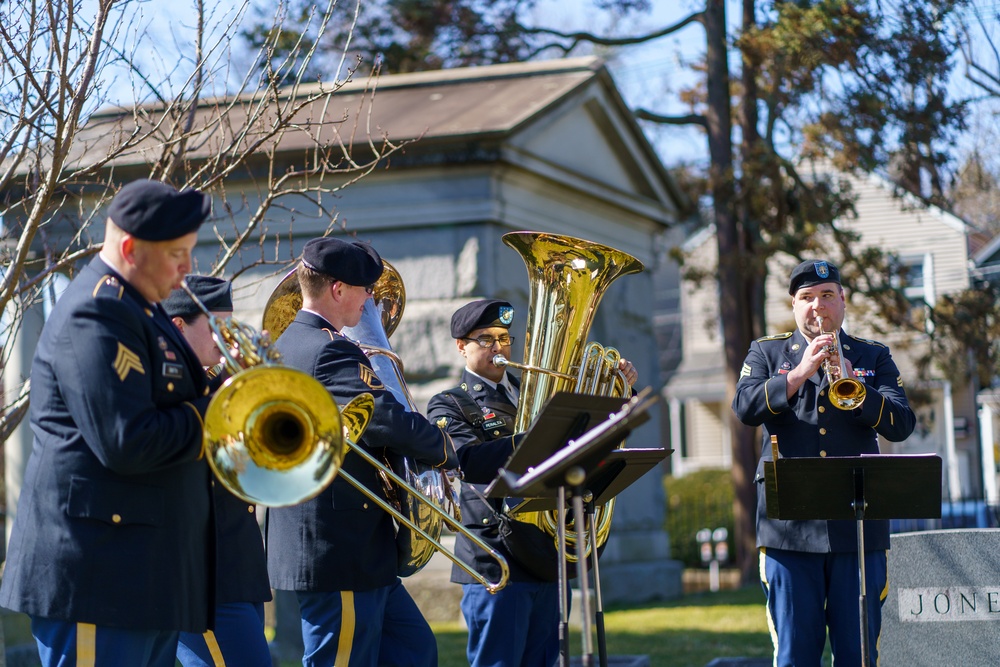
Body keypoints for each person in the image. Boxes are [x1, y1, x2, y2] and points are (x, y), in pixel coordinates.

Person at [0, 179, 216, 666]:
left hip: (139, 574)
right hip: (98, 577)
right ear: (130, 248)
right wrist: (222, 415)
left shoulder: (140, 307)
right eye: (177, 254)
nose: (187, 268)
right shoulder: (98, 311)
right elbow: (127, 440)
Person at [267, 236, 510, 667]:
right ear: (338, 289)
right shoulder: (328, 350)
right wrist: (446, 447)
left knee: (412, 650)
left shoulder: (289, 344)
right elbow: (384, 418)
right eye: (365, 291)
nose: (370, 303)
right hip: (339, 548)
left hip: (353, 547)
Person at [425, 298, 638, 667]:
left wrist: (619, 391)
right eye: (486, 339)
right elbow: (470, 461)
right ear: (461, 346)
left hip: (546, 555)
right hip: (497, 559)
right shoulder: (449, 404)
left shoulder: (537, 391)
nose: (498, 347)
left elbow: (587, 438)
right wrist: (542, 435)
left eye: (505, 338)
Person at [732, 259, 916, 667]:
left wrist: (860, 387)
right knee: (796, 654)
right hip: (789, 533)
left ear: (843, 300)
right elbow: (744, 407)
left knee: (859, 653)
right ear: (794, 305)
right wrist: (798, 374)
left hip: (859, 530)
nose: (818, 306)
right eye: (807, 298)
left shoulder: (873, 355)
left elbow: (902, 424)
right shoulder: (767, 352)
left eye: (827, 295)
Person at [161, 276, 273, 667]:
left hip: (238, 569)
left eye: (230, 323)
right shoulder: (166, 385)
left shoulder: (214, 383)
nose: (227, 336)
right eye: (216, 326)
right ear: (178, 327)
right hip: (201, 579)